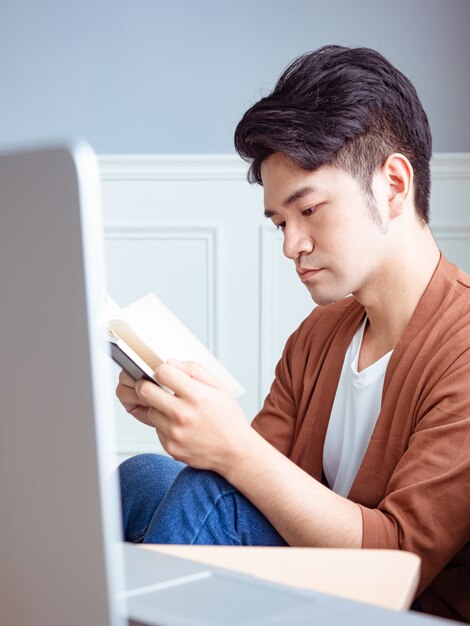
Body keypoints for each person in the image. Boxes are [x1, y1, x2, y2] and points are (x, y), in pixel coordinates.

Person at [116, 45, 470, 622]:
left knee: (207, 497)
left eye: (309, 211)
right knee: (143, 478)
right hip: (310, 581)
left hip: (397, 607)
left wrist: (230, 446)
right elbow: (254, 482)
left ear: (394, 184)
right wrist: (184, 418)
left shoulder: (462, 347)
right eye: (281, 222)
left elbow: (395, 564)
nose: (291, 245)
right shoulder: (319, 334)